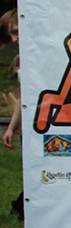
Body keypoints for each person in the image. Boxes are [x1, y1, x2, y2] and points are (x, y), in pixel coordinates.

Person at [1, 8, 20, 150]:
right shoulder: (21, 60)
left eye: (16, 32)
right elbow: (23, 97)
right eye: (10, 36)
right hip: (33, 130)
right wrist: (11, 129)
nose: (13, 40)